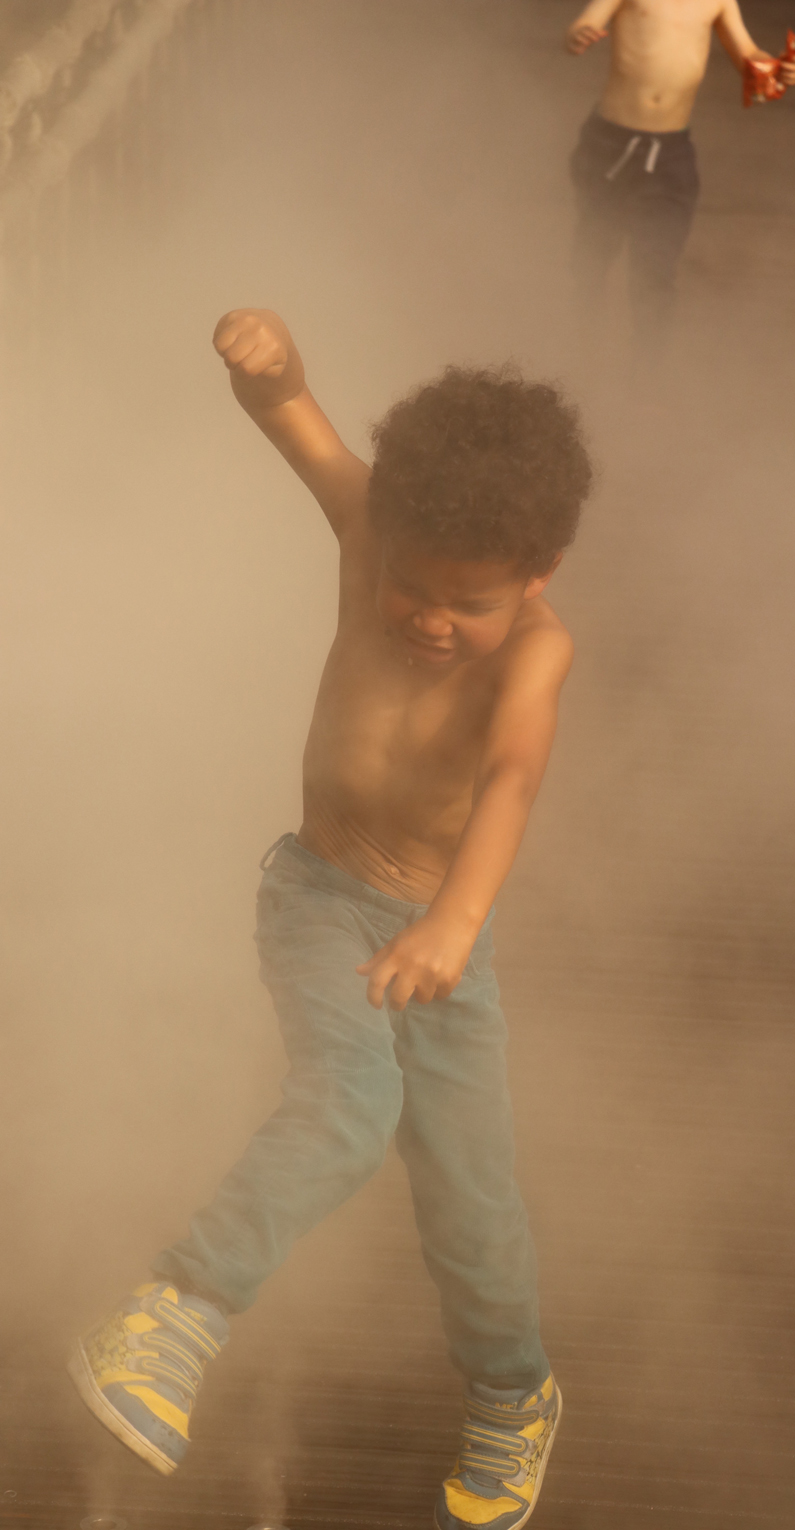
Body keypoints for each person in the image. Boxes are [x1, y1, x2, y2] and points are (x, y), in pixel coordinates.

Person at [67, 308, 594, 1530]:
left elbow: (512, 780)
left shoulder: (536, 657)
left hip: (442, 931)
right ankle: (175, 1314)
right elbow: (288, 421)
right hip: (319, 893)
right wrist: (274, 364)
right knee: (352, 1104)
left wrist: (456, 926)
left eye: (468, 605)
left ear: (536, 577)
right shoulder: (372, 527)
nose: (428, 621)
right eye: (412, 587)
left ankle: (515, 1395)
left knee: (473, 1197)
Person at [566, 0, 795, 347]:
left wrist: (781, 72)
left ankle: (645, 385)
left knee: (655, 270)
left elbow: (749, 56)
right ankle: (576, 360)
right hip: (610, 146)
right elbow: (583, 24)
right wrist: (578, 36)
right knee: (592, 257)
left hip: (670, 154)